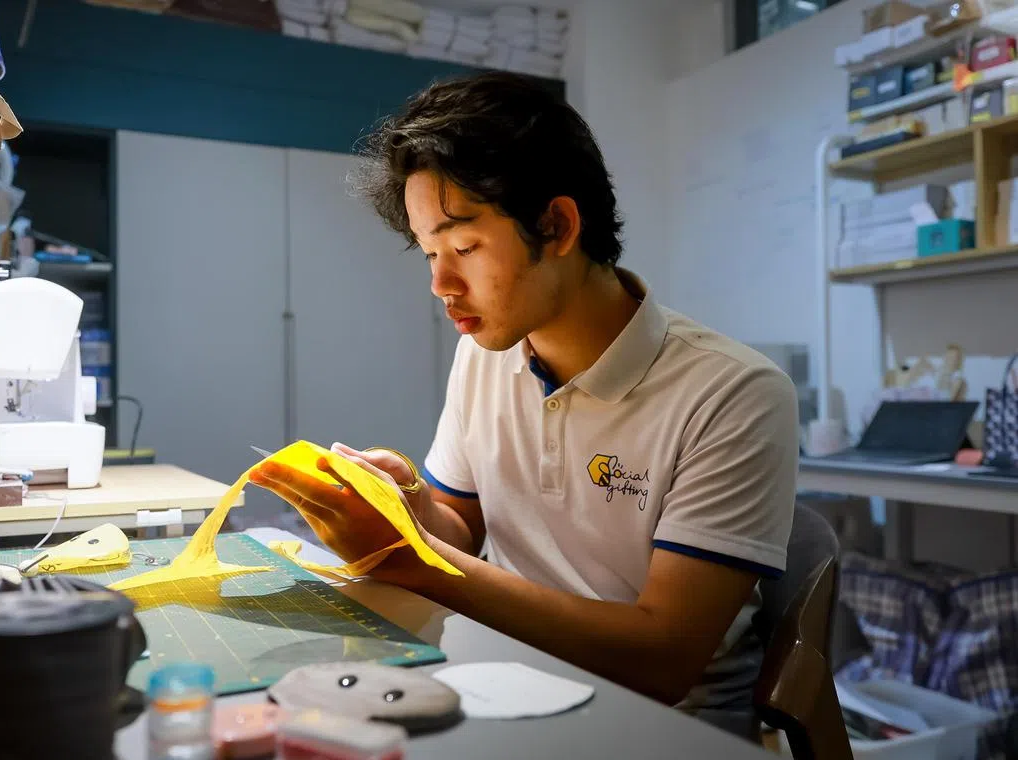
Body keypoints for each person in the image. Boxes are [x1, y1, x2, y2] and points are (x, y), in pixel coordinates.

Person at [251, 71, 798, 718]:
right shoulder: (485, 354)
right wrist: (409, 503)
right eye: (430, 254)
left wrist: (416, 565)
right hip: (502, 678)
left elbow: (663, 659)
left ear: (558, 226)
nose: (442, 284)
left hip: (661, 725)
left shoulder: (733, 394)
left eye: (464, 246)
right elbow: (458, 527)